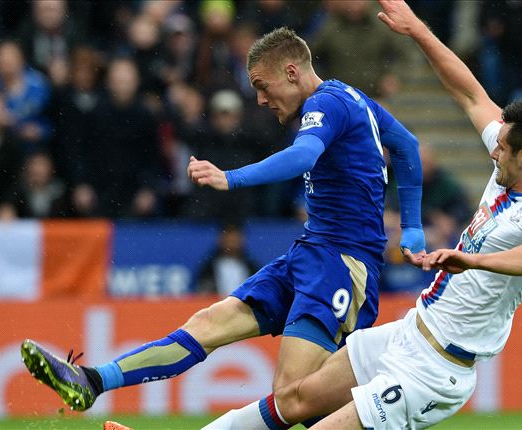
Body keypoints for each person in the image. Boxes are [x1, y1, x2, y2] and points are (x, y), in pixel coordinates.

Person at [20, 27, 425, 415]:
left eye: (263, 86)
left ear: (291, 71)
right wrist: (411, 227)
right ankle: (92, 381)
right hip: (311, 254)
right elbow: (406, 145)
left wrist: (231, 177)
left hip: (343, 265)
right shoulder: (353, 99)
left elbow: (304, 157)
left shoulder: (325, 103)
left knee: (292, 397)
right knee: (209, 323)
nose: (261, 100)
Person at [202, 1, 522, 429]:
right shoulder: (506, 170)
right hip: (409, 332)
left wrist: (474, 261)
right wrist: (418, 32)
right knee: (290, 400)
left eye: (502, 146)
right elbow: (469, 94)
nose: (493, 148)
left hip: (438, 368)